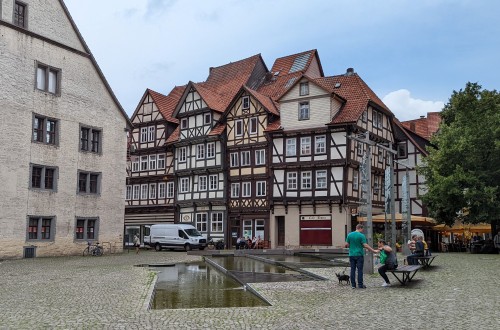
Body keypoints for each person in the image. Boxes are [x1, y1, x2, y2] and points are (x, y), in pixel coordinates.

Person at [345, 224, 378, 289]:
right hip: (359, 255)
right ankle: (360, 285)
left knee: (352, 270)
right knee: (360, 270)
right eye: (362, 229)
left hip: (351, 255)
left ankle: (353, 285)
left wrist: (352, 246)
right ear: (360, 228)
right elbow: (365, 245)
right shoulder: (361, 235)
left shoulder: (349, 235)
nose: (362, 231)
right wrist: (373, 250)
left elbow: (347, 244)